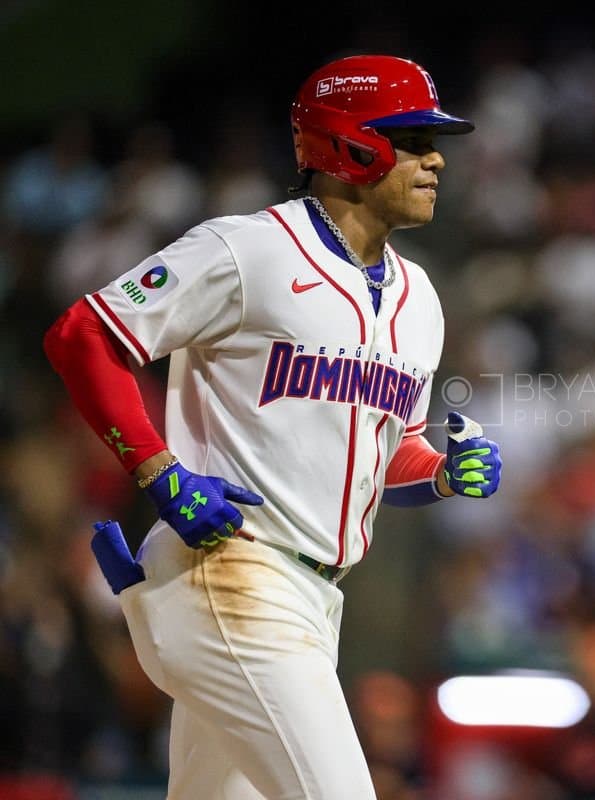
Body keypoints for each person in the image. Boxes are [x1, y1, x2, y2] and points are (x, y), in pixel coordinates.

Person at [42, 53, 503, 798]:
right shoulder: (248, 249)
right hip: (230, 576)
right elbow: (83, 335)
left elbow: (387, 461)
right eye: (414, 138)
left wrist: (442, 474)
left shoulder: (420, 297)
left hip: (315, 601)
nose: (436, 158)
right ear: (354, 145)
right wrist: (160, 475)